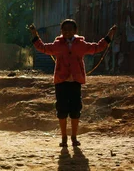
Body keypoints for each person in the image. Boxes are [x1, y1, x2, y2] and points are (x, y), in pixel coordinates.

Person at [29, 19, 117, 147]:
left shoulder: (81, 45)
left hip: (75, 81)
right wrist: (35, 35)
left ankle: (74, 137)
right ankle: (64, 137)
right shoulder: (57, 45)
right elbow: (43, 48)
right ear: (61, 31)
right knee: (62, 109)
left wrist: (109, 36)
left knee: (75, 109)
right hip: (61, 81)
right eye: (65, 30)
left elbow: (97, 47)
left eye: (70, 29)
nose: (67, 32)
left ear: (75, 31)